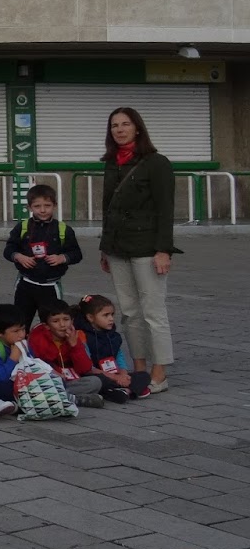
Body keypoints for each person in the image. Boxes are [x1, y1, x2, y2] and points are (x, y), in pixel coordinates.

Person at [99, 106, 178, 391]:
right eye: (114, 126)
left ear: (138, 128)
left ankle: (160, 372)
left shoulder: (156, 163)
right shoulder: (111, 163)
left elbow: (165, 210)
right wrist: (105, 248)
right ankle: (140, 367)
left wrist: (163, 250)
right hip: (118, 248)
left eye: (125, 124)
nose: (119, 129)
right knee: (129, 312)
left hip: (147, 248)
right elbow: (108, 208)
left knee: (153, 312)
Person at [4, 185, 83, 326]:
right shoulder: (22, 227)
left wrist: (62, 258)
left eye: (47, 205)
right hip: (25, 283)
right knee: (20, 323)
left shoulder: (63, 229)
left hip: (51, 285)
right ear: (29, 207)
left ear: (55, 205)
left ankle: (49, 348)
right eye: (37, 206)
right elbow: (8, 250)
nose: (42, 210)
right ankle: (21, 347)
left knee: (52, 324)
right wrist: (19, 256)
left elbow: (76, 254)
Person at [29, 301, 115, 407]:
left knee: (95, 382)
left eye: (66, 320)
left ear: (72, 320)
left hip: (70, 381)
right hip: (48, 380)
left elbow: (85, 368)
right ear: (46, 326)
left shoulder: (73, 336)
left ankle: (64, 397)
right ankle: (72, 398)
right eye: (56, 321)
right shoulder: (38, 339)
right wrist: (56, 372)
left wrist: (75, 346)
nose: (62, 325)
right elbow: (38, 365)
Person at [75, 294, 150, 400]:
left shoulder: (112, 335)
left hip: (114, 374)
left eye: (112, 315)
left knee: (143, 375)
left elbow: (119, 356)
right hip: (97, 374)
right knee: (96, 381)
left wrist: (123, 374)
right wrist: (115, 377)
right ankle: (129, 390)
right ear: (90, 317)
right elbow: (88, 368)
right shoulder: (81, 335)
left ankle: (124, 390)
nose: (111, 319)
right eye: (105, 315)